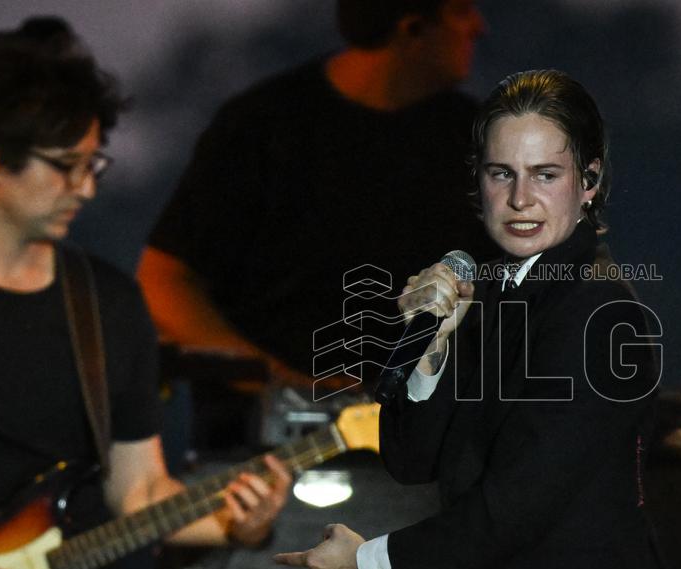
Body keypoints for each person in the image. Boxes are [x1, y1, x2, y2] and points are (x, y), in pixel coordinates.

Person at [276, 70, 681, 569]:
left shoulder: (604, 315)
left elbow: (518, 503)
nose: (519, 199)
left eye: (546, 175)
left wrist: (370, 566)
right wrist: (430, 349)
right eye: (501, 173)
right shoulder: (488, 294)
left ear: (590, 182)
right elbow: (412, 462)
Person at [0, 18, 291, 569]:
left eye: (92, 165)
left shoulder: (105, 304)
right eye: (64, 166)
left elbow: (140, 492)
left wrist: (240, 523)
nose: (85, 189)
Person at [137, 0, 495, 385]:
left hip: (417, 433)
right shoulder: (264, 127)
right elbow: (164, 280)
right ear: (412, 29)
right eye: (460, 10)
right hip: (271, 437)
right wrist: (274, 381)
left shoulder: (474, 142)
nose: (479, 26)